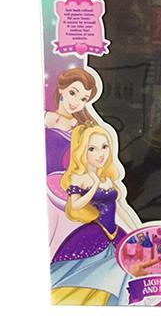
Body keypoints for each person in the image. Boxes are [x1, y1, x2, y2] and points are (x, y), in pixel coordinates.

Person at [50, 124, 139, 305]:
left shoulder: (108, 178)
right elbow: (74, 204)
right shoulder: (79, 178)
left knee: (123, 271)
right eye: (92, 149)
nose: (100, 154)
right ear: (82, 151)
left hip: (116, 233)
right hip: (94, 235)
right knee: (90, 275)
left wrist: (136, 230)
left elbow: (119, 207)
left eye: (104, 147)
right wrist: (93, 187)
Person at [44, 68, 99, 256]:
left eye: (83, 99)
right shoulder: (45, 117)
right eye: (73, 93)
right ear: (61, 89)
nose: (76, 102)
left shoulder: (82, 128)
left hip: (64, 186)